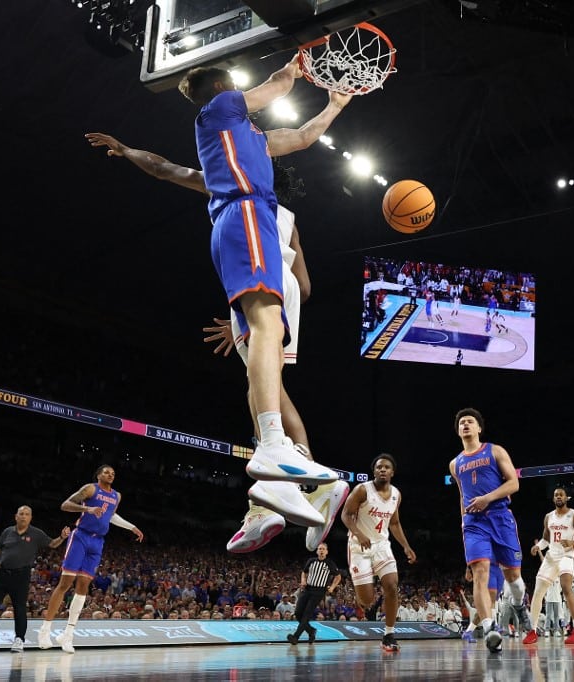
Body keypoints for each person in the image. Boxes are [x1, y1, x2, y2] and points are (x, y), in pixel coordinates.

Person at [84, 130, 351, 551]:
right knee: (273, 387)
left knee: (261, 389)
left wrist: (126, 149)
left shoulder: (235, 190)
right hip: (285, 292)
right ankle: (306, 484)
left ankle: (288, 492)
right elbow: (306, 285)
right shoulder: (289, 218)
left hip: (258, 278)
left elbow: (165, 169)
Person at [177, 57, 339, 489]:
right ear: (221, 85)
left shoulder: (252, 137)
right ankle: (271, 442)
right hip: (245, 213)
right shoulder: (220, 109)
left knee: (266, 340)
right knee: (268, 327)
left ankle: (271, 461)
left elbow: (304, 137)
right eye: (230, 79)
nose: (235, 82)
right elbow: (278, 83)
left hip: (252, 219)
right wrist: (297, 61)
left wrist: (335, 105)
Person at [37, 465, 144, 653]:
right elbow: (65, 505)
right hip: (81, 537)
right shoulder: (90, 488)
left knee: (83, 586)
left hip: (98, 542)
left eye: (113, 473)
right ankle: (45, 630)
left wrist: (131, 527)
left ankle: (67, 635)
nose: (110, 474)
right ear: (98, 474)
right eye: (106, 472)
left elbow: (110, 515)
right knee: (65, 583)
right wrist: (87, 508)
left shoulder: (116, 496)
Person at [449, 407, 529, 654]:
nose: (465, 425)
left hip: (500, 518)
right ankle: (490, 627)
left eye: (470, 421)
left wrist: (487, 498)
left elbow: (514, 483)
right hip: (473, 524)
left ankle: (518, 605)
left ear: (479, 428)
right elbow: (462, 497)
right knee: (480, 571)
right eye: (462, 422)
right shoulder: (455, 463)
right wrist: (464, 523)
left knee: (513, 576)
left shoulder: (495, 450)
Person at [0, 506, 70, 653]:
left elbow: (52, 544)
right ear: (16, 516)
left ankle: (19, 640)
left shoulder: (36, 533)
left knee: (20, 608)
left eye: (27, 514)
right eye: (21, 514)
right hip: (2, 574)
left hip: (21, 575)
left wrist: (62, 537)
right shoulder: (8, 531)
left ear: (30, 518)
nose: (24, 516)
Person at [340, 454, 416, 652]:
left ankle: (388, 634)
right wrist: (358, 533)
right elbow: (345, 515)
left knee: (392, 586)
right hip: (359, 546)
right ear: (374, 471)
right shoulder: (362, 490)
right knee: (367, 600)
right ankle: (362, 583)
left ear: (392, 472)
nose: (382, 469)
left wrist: (406, 546)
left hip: (382, 545)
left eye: (386, 467)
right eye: (379, 467)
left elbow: (395, 523)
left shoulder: (396, 494)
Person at [520, 487, 574, 645]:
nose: (558, 497)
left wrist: (573, 543)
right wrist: (538, 546)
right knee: (538, 591)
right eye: (555, 495)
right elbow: (546, 539)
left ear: (567, 498)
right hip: (552, 556)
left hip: (567, 555)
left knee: (566, 587)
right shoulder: (548, 517)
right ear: (553, 499)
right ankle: (532, 630)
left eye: (561, 495)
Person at [287, 542, 342, 644]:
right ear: (317, 551)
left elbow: (338, 576)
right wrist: (303, 580)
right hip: (307, 589)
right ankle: (311, 631)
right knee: (298, 613)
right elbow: (304, 572)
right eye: (320, 549)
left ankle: (296, 637)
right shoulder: (311, 561)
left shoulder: (330, 563)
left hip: (319, 591)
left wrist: (332, 587)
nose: (321, 551)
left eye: (323, 549)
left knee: (306, 614)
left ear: (326, 552)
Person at [460, 563, 504, 643]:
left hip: (499, 570)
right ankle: (495, 625)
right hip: (487, 569)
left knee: (482, 611)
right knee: (489, 602)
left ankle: (468, 632)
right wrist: (468, 568)